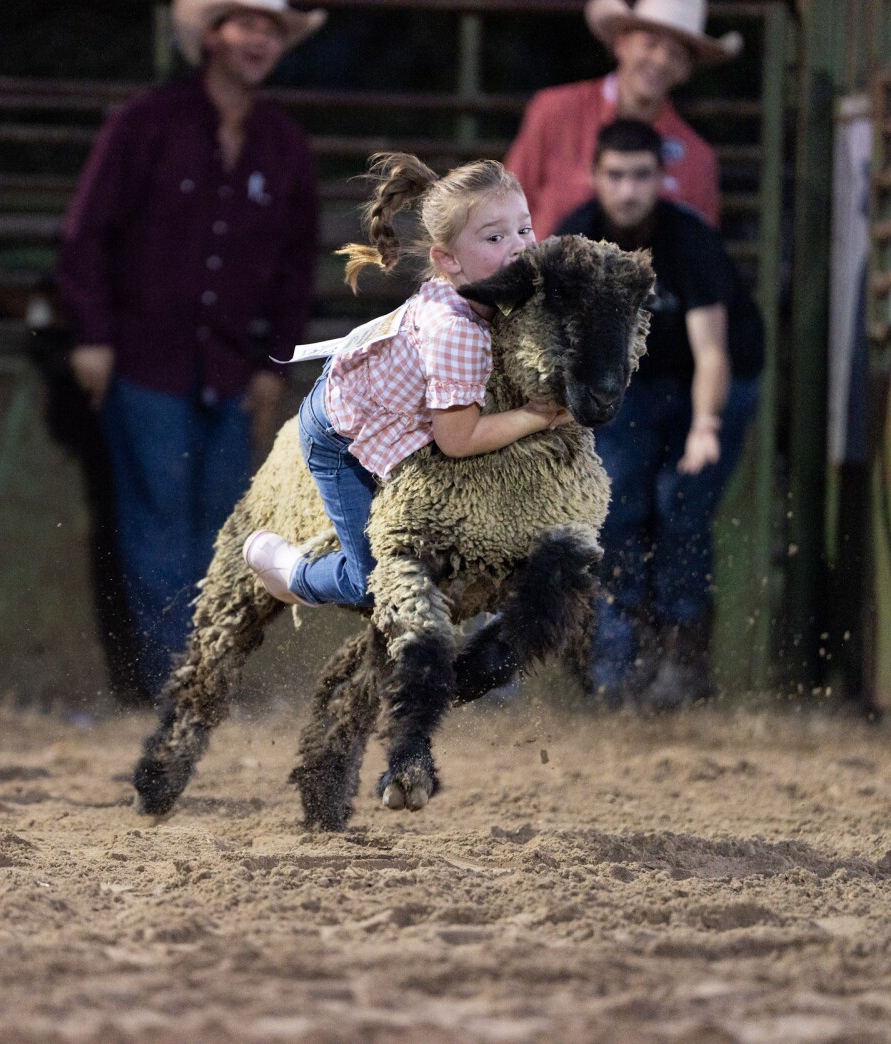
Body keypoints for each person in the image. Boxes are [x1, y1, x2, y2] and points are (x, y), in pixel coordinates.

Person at [55, 0, 324, 700]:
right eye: (246, 24)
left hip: (232, 367)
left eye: (271, 28)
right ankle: (182, 685)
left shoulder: (284, 146)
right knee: (158, 531)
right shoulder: (145, 124)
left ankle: (201, 678)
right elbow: (88, 234)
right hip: (146, 359)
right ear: (212, 37)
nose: (261, 38)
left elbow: (296, 267)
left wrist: (275, 366)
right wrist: (93, 337)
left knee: (223, 532)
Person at [243, 154, 568, 608]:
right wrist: (537, 415)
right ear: (447, 260)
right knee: (375, 585)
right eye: (495, 237)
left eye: (524, 229)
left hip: (385, 404)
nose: (518, 246)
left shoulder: (485, 289)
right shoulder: (456, 331)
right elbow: (457, 439)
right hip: (340, 435)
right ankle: (294, 575)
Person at [557, 118, 763, 709]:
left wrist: (704, 428)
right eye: (615, 175)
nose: (628, 190)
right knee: (617, 506)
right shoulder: (574, 245)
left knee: (682, 501)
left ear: (661, 178)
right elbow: (556, 349)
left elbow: (714, 353)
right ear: (594, 178)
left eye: (641, 175)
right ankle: (618, 666)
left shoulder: (688, 242)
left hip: (716, 381)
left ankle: (684, 659)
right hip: (626, 388)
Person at [506, 0, 741, 240]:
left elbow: (700, 258)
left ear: (686, 70)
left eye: (675, 53)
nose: (660, 60)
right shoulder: (554, 112)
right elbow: (504, 208)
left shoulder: (697, 160)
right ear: (621, 44)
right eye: (650, 44)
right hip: (545, 274)